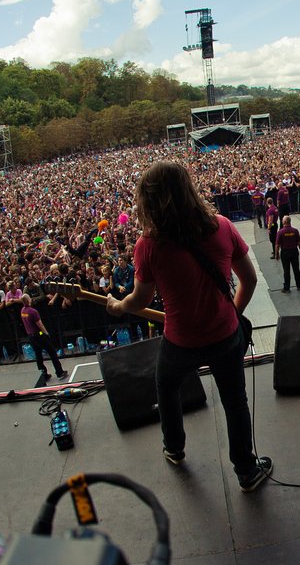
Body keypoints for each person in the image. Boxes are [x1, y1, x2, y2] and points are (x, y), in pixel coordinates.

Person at [105, 161, 270, 493]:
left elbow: (139, 300)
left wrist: (117, 306)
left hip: (179, 341)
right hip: (225, 335)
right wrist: (232, 314)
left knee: (166, 389)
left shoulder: (148, 245)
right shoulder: (221, 227)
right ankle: (246, 470)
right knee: (235, 401)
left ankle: (174, 448)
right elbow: (249, 280)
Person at [19, 294, 68, 379]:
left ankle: (43, 375)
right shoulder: (33, 311)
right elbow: (40, 325)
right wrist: (46, 333)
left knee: (38, 355)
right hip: (39, 334)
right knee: (52, 352)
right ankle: (59, 372)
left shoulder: (23, 311)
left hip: (30, 335)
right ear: (29, 300)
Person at [275, 215, 300, 293]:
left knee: (286, 271)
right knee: (296, 270)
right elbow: (299, 242)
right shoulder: (295, 231)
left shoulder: (280, 232)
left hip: (285, 253)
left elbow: (277, 245)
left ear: (284, 222)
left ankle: (286, 288)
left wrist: (276, 254)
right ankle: (299, 285)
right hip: (294, 252)